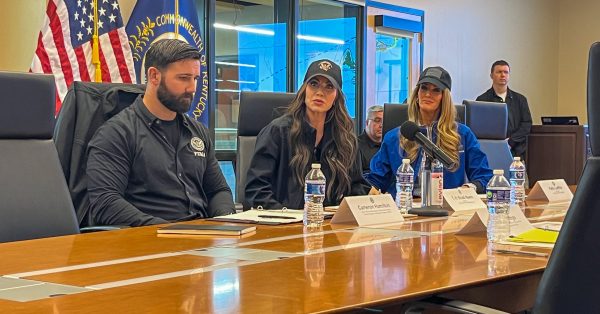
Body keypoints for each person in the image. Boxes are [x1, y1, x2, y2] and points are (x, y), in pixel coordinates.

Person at [87, 39, 235, 226]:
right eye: (183, 78)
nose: (192, 88)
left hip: (201, 238)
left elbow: (218, 190)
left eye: (195, 78)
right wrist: (167, 230)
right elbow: (106, 203)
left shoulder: (198, 132)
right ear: (154, 76)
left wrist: (226, 222)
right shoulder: (117, 133)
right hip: (149, 241)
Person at [244, 59, 369, 209]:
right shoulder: (278, 132)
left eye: (329, 87)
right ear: (304, 91)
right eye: (314, 84)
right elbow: (256, 190)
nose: (320, 92)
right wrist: (289, 219)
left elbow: (356, 187)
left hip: (330, 226)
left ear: (336, 97)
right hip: (282, 225)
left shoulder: (345, 139)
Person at [366, 66, 493, 197]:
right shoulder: (394, 137)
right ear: (417, 94)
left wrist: (468, 188)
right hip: (404, 208)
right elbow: (375, 179)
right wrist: (367, 189)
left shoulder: (462, 135)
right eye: (424, 88)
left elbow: (484, 177)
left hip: (446, 208)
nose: (427, 94)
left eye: (435, 90)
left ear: (444, 98)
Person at [476, 60, 532, 159]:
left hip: (517, 151)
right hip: (491, 151)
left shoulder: (520, 99)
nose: (503, 75)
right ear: (491, 75)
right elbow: (479, 128)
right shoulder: (482, 100)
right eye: (499, 72)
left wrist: (511, 142)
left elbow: (526, 124)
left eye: (506, 72)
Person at [358, 105, 383, 173]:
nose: (381, 125)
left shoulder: (389, 145)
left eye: (384, 121)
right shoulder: (355, 146)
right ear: (367, 123)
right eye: (377, 121)